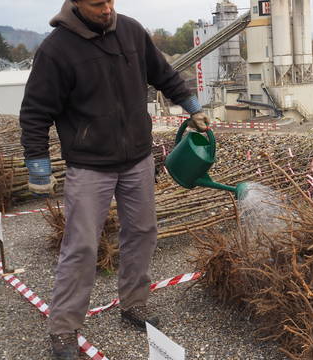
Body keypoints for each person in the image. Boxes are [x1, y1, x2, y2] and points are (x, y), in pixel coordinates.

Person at [19, 1, 210, 359]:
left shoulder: (132, 31)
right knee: (81, 247)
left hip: (137, 157)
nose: (106, 9)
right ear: (76, 2)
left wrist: (191, 104)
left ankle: (133, 303)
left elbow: (163, 73)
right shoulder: (56, 50)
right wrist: (37, 162)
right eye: (96, 3)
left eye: (110, 0)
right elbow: (34, 111)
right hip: (89, 165)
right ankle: (63, 328)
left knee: (142, 232)